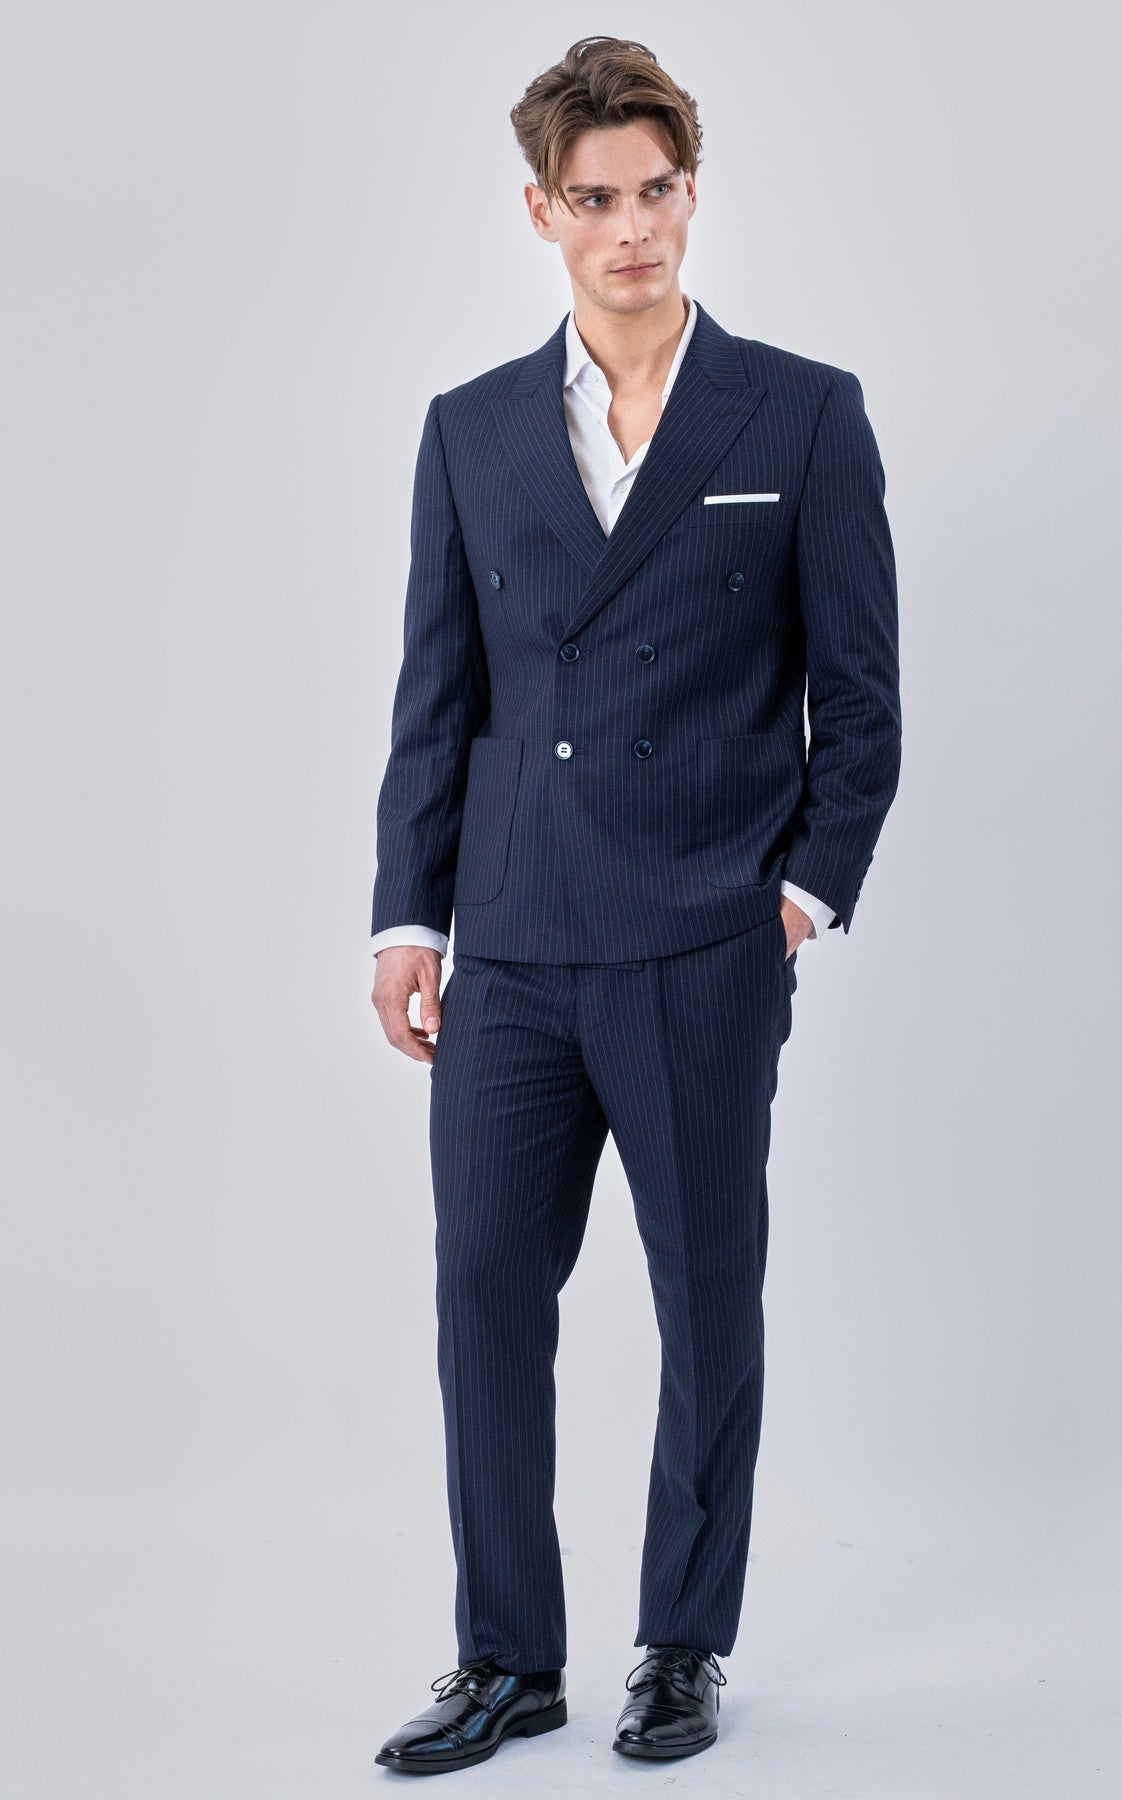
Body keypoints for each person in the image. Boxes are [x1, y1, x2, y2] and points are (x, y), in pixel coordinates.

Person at [368, 34, 901, 1776]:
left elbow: (863, 701)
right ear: (543, 211)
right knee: (482, 1299)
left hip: (700, 941)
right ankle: (506, 1656)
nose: (633, 229)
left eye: (657, 191)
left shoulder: (800, 412)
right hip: (515, 941)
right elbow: (438, 699)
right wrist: (407, 920)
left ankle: (682, 1642)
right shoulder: (469, 430)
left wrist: (797, 899)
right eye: (595, 199)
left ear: (690, 191)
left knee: (707, 1305)